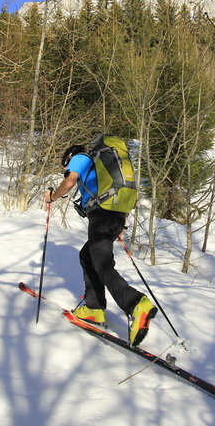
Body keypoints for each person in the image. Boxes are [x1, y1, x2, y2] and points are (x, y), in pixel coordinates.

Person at [44, 144, 157, 347]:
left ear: (69, 157)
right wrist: (121, 221)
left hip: (102, 216)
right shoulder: (105, 166)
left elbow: (69, 182)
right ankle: (94, 308)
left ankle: (136, 303)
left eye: (65, 165)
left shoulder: (80, 158)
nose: (67, 168)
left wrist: (52, 197)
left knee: (103, 265)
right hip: (116, 215)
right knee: (87, 256)